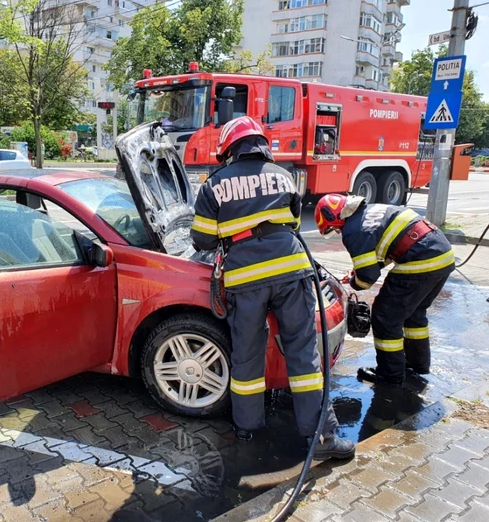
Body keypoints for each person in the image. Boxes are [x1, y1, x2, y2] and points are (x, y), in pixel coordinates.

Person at [190, 117, 354, 460]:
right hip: (292, 273)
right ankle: (322, 439)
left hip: (246, 280)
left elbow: (202, 239)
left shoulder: (214, 184)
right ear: (261, 144)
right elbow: (292, 223)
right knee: (304, 355)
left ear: (228, 149)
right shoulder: (283, 175)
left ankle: (247, 428)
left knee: (247, 356)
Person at [314, 194, 455, 385]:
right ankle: (418, 365)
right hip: (442, 255)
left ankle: (390, 375)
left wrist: (355, 282)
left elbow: (367, 279)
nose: (338, 232)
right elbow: (390, 248)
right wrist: (360, 272)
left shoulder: (353, 230)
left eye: (334, 228)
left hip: (420, 261)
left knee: (385, 317)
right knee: (414, 314)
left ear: (335, 216)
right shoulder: (370, 211)